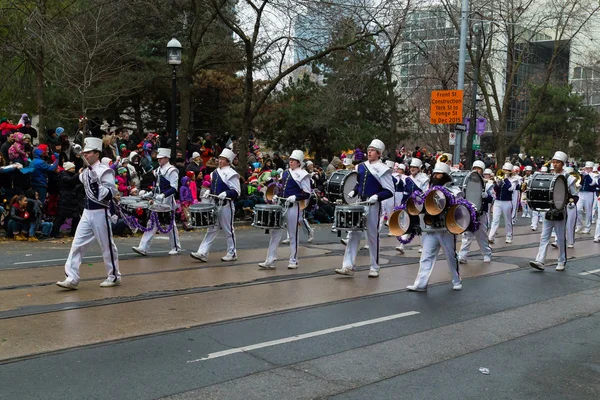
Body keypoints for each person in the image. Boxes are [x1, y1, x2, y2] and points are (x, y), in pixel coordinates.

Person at [56, 137, 121, 289]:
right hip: (87, 212)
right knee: (77, 244)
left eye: (89, 153)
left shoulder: (105, 171)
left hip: (101, 212)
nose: (86, 155)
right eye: (84, 153)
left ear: (97, 154)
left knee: (107, 245)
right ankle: (71, 277)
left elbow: (109, 195)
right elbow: (73, 181)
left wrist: (95, 183)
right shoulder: (86, 171)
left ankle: (114, 276)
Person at [334, 139, 394, 278]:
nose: (369, 152)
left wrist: (377, 196)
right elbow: (359, 184)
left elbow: (389, 190)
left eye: (372, 150)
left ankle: (374, 267)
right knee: (353, 234)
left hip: (373, 205)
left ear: (379, 153)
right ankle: (348, 266)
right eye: (368, 150)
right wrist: (354, 192)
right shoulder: (361, 166)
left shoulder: (383, 169)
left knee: (372, 236)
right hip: (360, 203)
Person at [407, 162, 463, 291]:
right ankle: (421, 284)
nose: (435, 176)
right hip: (431, 228)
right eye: (434, 174)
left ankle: (456, 280)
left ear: (445, 176)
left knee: (450, 256)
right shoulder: (428, 190)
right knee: (426, 256)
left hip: (445, 229)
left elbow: (457, 206)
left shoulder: (454, 190)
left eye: (438, 174)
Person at [259, 149, 312, 270]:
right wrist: (278, 195)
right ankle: (270, 260)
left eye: (294, 160)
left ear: (299, 162)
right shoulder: (287, 173)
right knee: (275, 232)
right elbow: (283, 187)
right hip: (282, 204)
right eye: (291, 160)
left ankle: (293, 260)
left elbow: (307, 193)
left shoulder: (303, 174)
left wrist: (296, 197)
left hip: (293, 206)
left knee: (293, 234)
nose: (291, 162)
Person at [530, 151, 577, 271]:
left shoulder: (568, 178)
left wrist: (571, 203)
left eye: (557, 162)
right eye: (554, 162)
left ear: (562, 164)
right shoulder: (549, 175)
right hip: (548, 209)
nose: (555, 164)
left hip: (560, 210)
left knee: (560, 237)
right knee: (544, 236)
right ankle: (540, 260)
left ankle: (561, 260)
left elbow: (575, 195)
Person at [191, 148, 240, 262]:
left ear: (228, 161)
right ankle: (202, 252)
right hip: (215, 204)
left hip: (226, 205)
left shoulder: (232, 173)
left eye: (223, 159)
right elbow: (214, 186)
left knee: (228, 230)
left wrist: (226, 193)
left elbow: (237, 191)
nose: (220, 161)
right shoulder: (215, 172)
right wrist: (210, 191)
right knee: (211, 229)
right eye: (220, 159)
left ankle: (232, 253)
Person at [132, 148, 181, 256]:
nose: (159, 160)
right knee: (152, 223)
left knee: (170, 224)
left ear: (166, 158)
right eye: (158, 158)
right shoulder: (158, 170)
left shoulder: (172, 171)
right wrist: (150, 193)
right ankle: (143, 247)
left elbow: (174, 188)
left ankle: (176, 247)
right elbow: (157, 186)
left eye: (161, 158)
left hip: (167, 201)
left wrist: (163, 195)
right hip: (157, 201)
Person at [457, 161, 493, 263]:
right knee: (467, 234)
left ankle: (487, 253)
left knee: (481, 235)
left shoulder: (487, 183)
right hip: (469, 212)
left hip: (481, 212)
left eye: (479, 169)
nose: (476, 170)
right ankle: (463, 255)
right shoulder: (467, 181)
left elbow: (492, 198)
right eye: (475, 168)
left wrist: (487, 196)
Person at [488, 163, 516, 244]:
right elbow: (496, 189)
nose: (505, 172)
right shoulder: (499, 178)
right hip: (497, 202)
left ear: (510, 171)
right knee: (495, 220)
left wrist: (506, 179)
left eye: (507, 170)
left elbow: (510, 189)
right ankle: (491, 236)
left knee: (508, 220)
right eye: (504, 170)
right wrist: (496, 182)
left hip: (507, 202)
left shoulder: (514, 180)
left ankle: (509, 236)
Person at [576, 161, 596, 234]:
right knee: (577, 209)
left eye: (588, 168)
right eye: (586, 168)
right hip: (581, 193)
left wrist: (586, 175)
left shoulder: (594, 175)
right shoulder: (583, 174)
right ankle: (579, 225)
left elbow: (592, 183)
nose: (587, 169)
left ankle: (587, 227)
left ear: (591, 168)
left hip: (589, 194)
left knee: (588, 211)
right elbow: (578, 181)